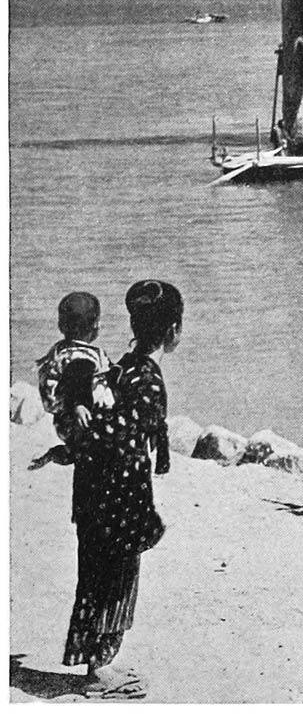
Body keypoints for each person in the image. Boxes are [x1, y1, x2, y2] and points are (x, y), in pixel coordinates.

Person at [63, 279, 184, 700]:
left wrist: (73, 447)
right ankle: (100, 671)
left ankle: (97, 663)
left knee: (94, 575)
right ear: (173, 332)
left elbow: (98, 417)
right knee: (116, 581)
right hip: (120, 496)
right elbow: (122, 433)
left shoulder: (122, 366)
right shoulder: (147, 380)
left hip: (93, 488)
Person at [32, 292, 116, 469]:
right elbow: (75, 379)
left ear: (61, 325)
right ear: (95, 326)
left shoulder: (59, 350)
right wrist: (77, 404)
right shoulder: (83, 358)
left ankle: (67, 452)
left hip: (63, 421)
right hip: (80, 419)